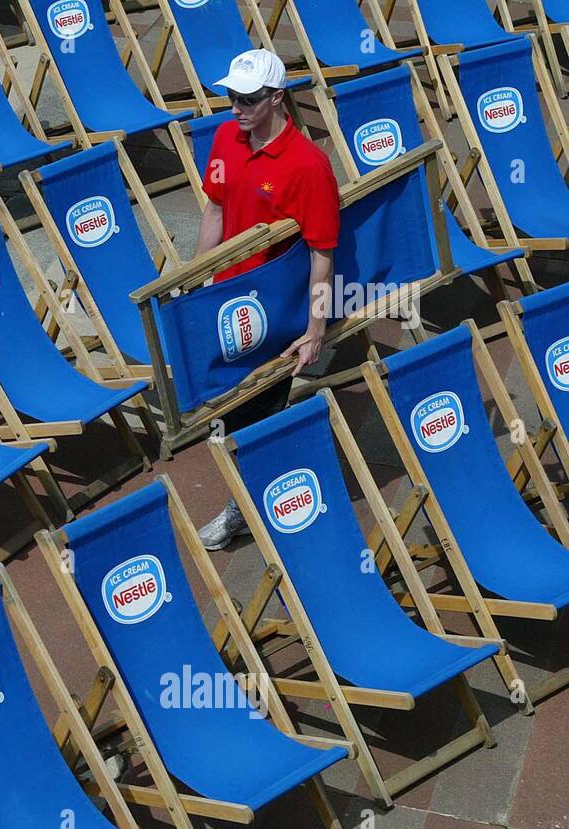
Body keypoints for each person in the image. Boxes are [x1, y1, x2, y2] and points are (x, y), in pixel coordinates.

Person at [194, 49, 340, 550]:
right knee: (227, 407)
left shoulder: (309, 166)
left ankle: (254, 505)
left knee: (255, 413)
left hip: (276, 312)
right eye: (232, 97)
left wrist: (316, 330)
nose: (236, 108)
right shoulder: (225, 137)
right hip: (225, 303)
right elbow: (214, 211)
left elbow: (323, 252)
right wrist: (196, 280)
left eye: (248, 100)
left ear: (277, 97)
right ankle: (264, 490)